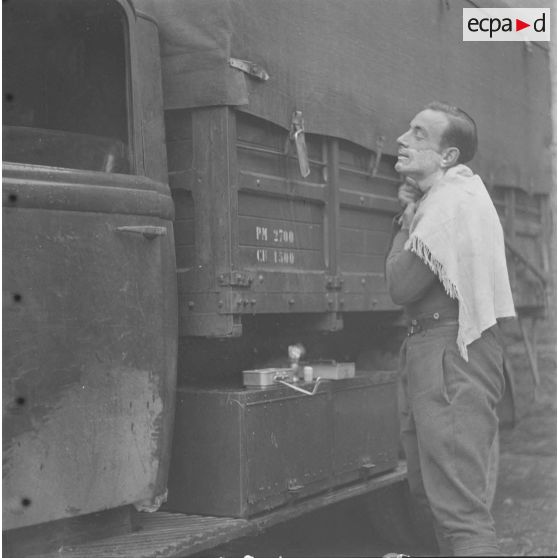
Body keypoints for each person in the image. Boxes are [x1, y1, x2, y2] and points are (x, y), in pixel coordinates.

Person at [385, 101, 516, 556]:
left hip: (450, 354)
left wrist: (403, 224)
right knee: (438, 501)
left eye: (419, 134)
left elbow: (401, 284)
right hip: (439, 349)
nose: (403, 139)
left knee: (459, 512)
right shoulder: (447, 199)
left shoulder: (449, 204)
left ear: (449, 157)